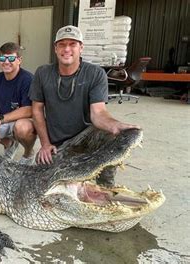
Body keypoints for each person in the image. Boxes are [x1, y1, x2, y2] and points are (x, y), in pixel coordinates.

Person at [29, 25, 139, 186]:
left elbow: (98, 112)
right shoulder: (43, 73)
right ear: (55, 48)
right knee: (42, 181)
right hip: (57, 144)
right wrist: (45, 144)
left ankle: (105, 187)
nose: (67, 49)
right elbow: (37, 110)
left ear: (81, 47)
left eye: (72, 44)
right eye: (62, 44)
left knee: (110, 137)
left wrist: (115, 125)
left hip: (86, 138)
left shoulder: (95, 73)